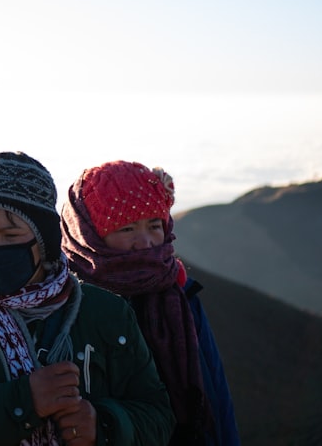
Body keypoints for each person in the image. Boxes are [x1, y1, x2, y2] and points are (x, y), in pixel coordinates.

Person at [0, 151, 175, 446]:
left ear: (44, 240)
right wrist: (24, 401)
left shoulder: (106, 311)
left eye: (10, 234)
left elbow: (157, 415)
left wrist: (102, 425)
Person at [59, 161, 240, 446]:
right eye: (127, 228)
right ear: (87, 234)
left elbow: (216, 393)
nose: (144, 242)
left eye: (154, 225)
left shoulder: (181, 296)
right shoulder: (64, 307)